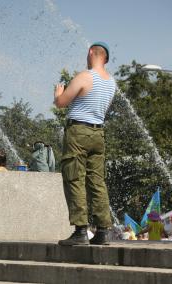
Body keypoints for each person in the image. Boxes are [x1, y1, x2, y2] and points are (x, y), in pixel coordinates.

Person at [54, 42, 116, 246]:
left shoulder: (85, 76)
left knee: (74, 178)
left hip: (78, 131)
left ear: (91, 53)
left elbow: (62, 103)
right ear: (106, 58)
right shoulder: (111, 82)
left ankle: (81, 230)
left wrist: (58, 93)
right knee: (97, 181)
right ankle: (103, 231)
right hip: (98, 133)